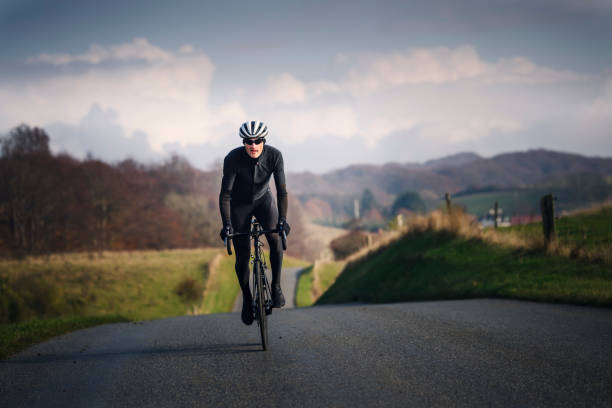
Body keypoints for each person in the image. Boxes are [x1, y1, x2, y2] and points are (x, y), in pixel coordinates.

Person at [219, 121, 290, 325]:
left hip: (263, 200)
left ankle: (276, 286)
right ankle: (247, 298)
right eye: (248, 141)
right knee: (242, 254)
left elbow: (282, 191)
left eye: (257, 141)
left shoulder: (274, 156)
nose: (253, 145)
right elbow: (225, 194)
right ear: (244, 142)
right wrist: (226, 224)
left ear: (263, 141)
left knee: (275, 238)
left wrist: (283, 219)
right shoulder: (233, 158)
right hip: (239, 204)